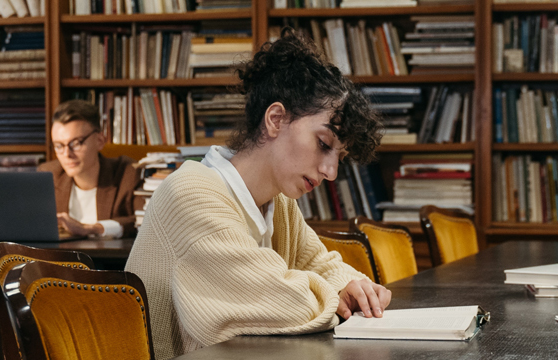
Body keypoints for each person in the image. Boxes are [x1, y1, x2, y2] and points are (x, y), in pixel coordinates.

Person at [124, 32, 388, 359]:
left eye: (339, 157)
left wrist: (348, 285)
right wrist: (335, 292)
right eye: (323, 145)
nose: (331, 172)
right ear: (275, 119)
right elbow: (285, 304)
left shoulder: (280, 204)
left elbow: (322, 266)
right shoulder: (191, 194)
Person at [37, 100, 139, 238]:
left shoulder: (129, 173)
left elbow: (143, 222)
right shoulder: (48, 175)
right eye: (59, 146)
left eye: (76, 143)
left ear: (100, 141)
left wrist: (90, 228)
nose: (67, 154)